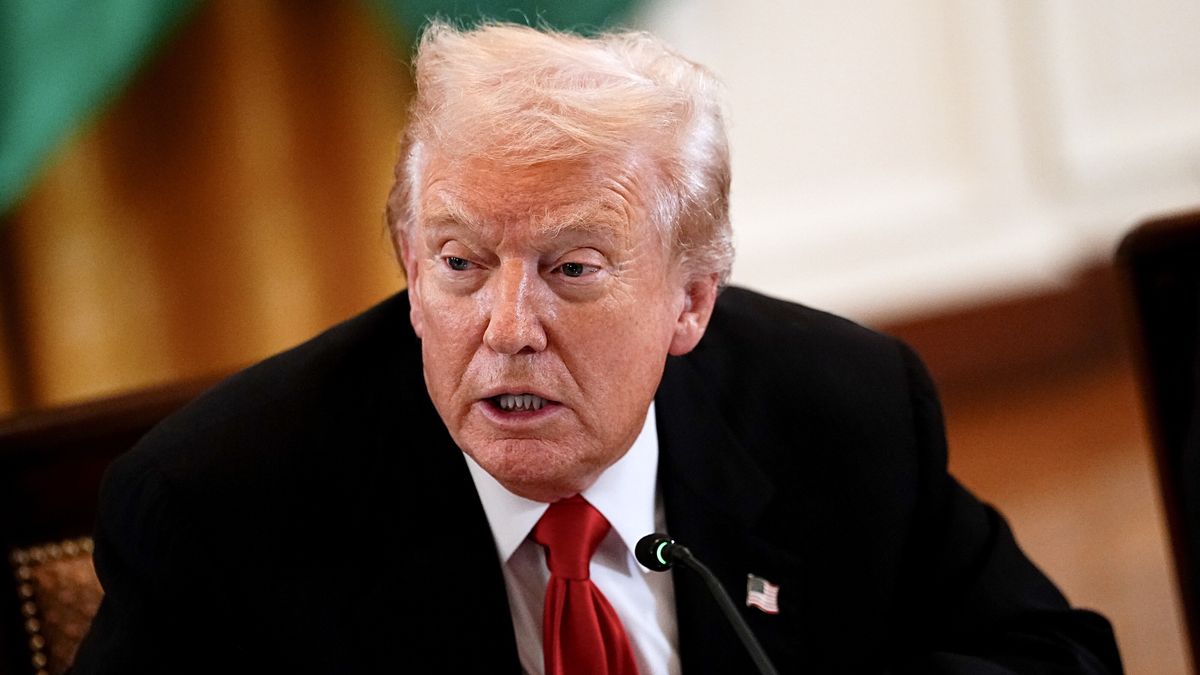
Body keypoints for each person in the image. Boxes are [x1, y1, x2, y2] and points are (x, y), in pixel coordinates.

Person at [72, 21, 1122, 675]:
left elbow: (1058, 656)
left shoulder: (840, 407)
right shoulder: (220, 502)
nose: (509, 328)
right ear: (406, 259)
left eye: (573, 269)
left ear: (691, 301)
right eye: (460, 263)